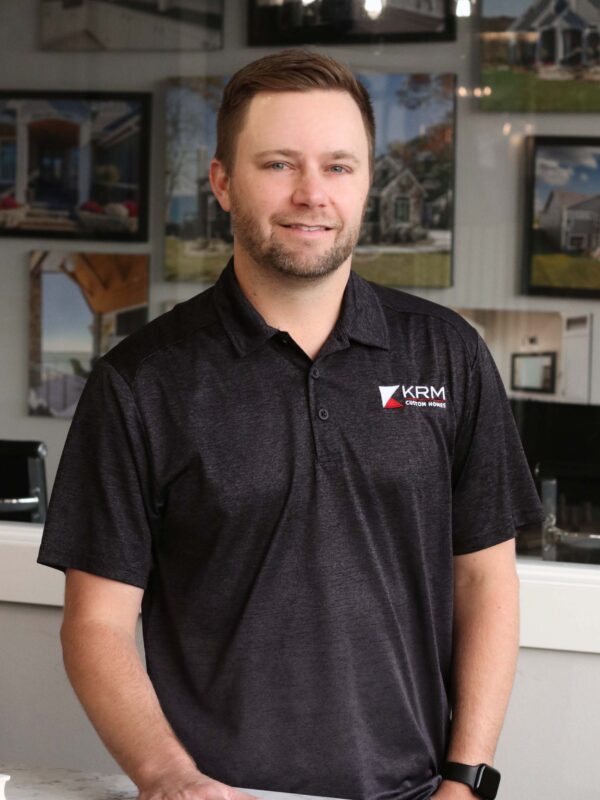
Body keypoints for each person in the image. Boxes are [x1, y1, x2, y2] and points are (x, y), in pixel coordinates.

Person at [38, 50, 543, 800]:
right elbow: (98, 625)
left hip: (417, 789)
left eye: (340, 166)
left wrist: (466, 779)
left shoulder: (448, 353)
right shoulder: (142, 381)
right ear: (221, 181)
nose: (313, 194)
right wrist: (169, 778)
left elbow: (484, 579)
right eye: (279, 164)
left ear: (367, 180)